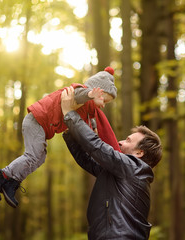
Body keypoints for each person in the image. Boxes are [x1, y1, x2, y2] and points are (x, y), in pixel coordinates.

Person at [0, 67, 119, 208]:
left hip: (40, 126)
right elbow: (79, 95)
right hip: (36, 121)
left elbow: (87, 126)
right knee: (33, 155)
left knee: (39, 157)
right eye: (104, 100)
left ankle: (11, 182)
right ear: (98, 91)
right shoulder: (80, 92)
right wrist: (90, 94)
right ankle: (0, 176)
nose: (104, 105)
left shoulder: (88, 112)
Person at [61, 87, 162, 239]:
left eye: (128, 140)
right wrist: (71, 133)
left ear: (139, 153)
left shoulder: (134, 168)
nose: (120, 142)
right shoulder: (121, 172)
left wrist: (70, 114)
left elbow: (97, 147)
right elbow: (87, 160)